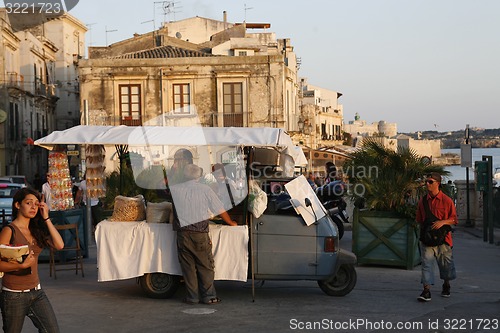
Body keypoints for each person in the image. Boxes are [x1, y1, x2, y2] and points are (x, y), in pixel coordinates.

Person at [170, 164, 237, 305]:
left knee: (188, 268)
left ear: (184, 175)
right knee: (205, 266)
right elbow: (219, 209)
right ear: (199, 176)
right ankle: (209, 296)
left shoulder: (175, 190)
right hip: (199, 234)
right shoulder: (205, 189)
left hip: (183, 234)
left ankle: (192, 297)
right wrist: (230, 222)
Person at [0, 187, 64, 332]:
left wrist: (46, 217)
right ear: (18, 205)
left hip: (37, 292)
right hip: (13, 295)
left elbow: (60, 245)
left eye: (36, 204)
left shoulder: (36, 231)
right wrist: (22, 266)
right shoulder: (9, 231)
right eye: (29, 203)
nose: (33, 207)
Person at [416, 172, 457, 302]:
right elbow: (419, 219)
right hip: (428, 239)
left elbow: (454, 220)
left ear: (438, 184)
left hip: (443, 239)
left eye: (430, 182)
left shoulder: (447, 201)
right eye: (427, 182)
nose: (427, 184)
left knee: (445, 266)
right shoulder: (423, 201)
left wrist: (442, 222)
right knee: (426, 265)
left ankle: (446, 284)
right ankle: (426, 290)